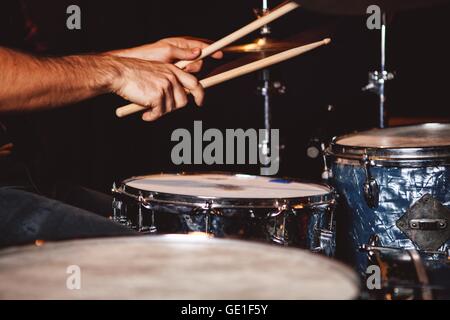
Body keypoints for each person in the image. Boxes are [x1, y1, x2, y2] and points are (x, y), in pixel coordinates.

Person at [0, 37, 223, 248]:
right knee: (159, 263)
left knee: (178, 231)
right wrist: (117, 70)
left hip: (22, 177)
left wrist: (129, 60)